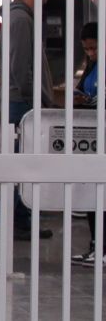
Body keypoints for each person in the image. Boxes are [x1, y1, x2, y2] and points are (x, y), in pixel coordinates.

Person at [0, 0, 54, 242]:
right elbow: (20, 66)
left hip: (21, 101)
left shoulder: (21, 18)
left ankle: (18, 221)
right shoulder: (20, 20)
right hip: (21, 103)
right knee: (18, 164)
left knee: (19, 163)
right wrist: (35, 97)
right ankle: (8, 222)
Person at [71, 21, 105, 266]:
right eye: (87, 49)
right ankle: (95, 245)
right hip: (92, 136)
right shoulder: (92, 66)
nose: (91, 53)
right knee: (93, 195)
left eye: (94, 48)